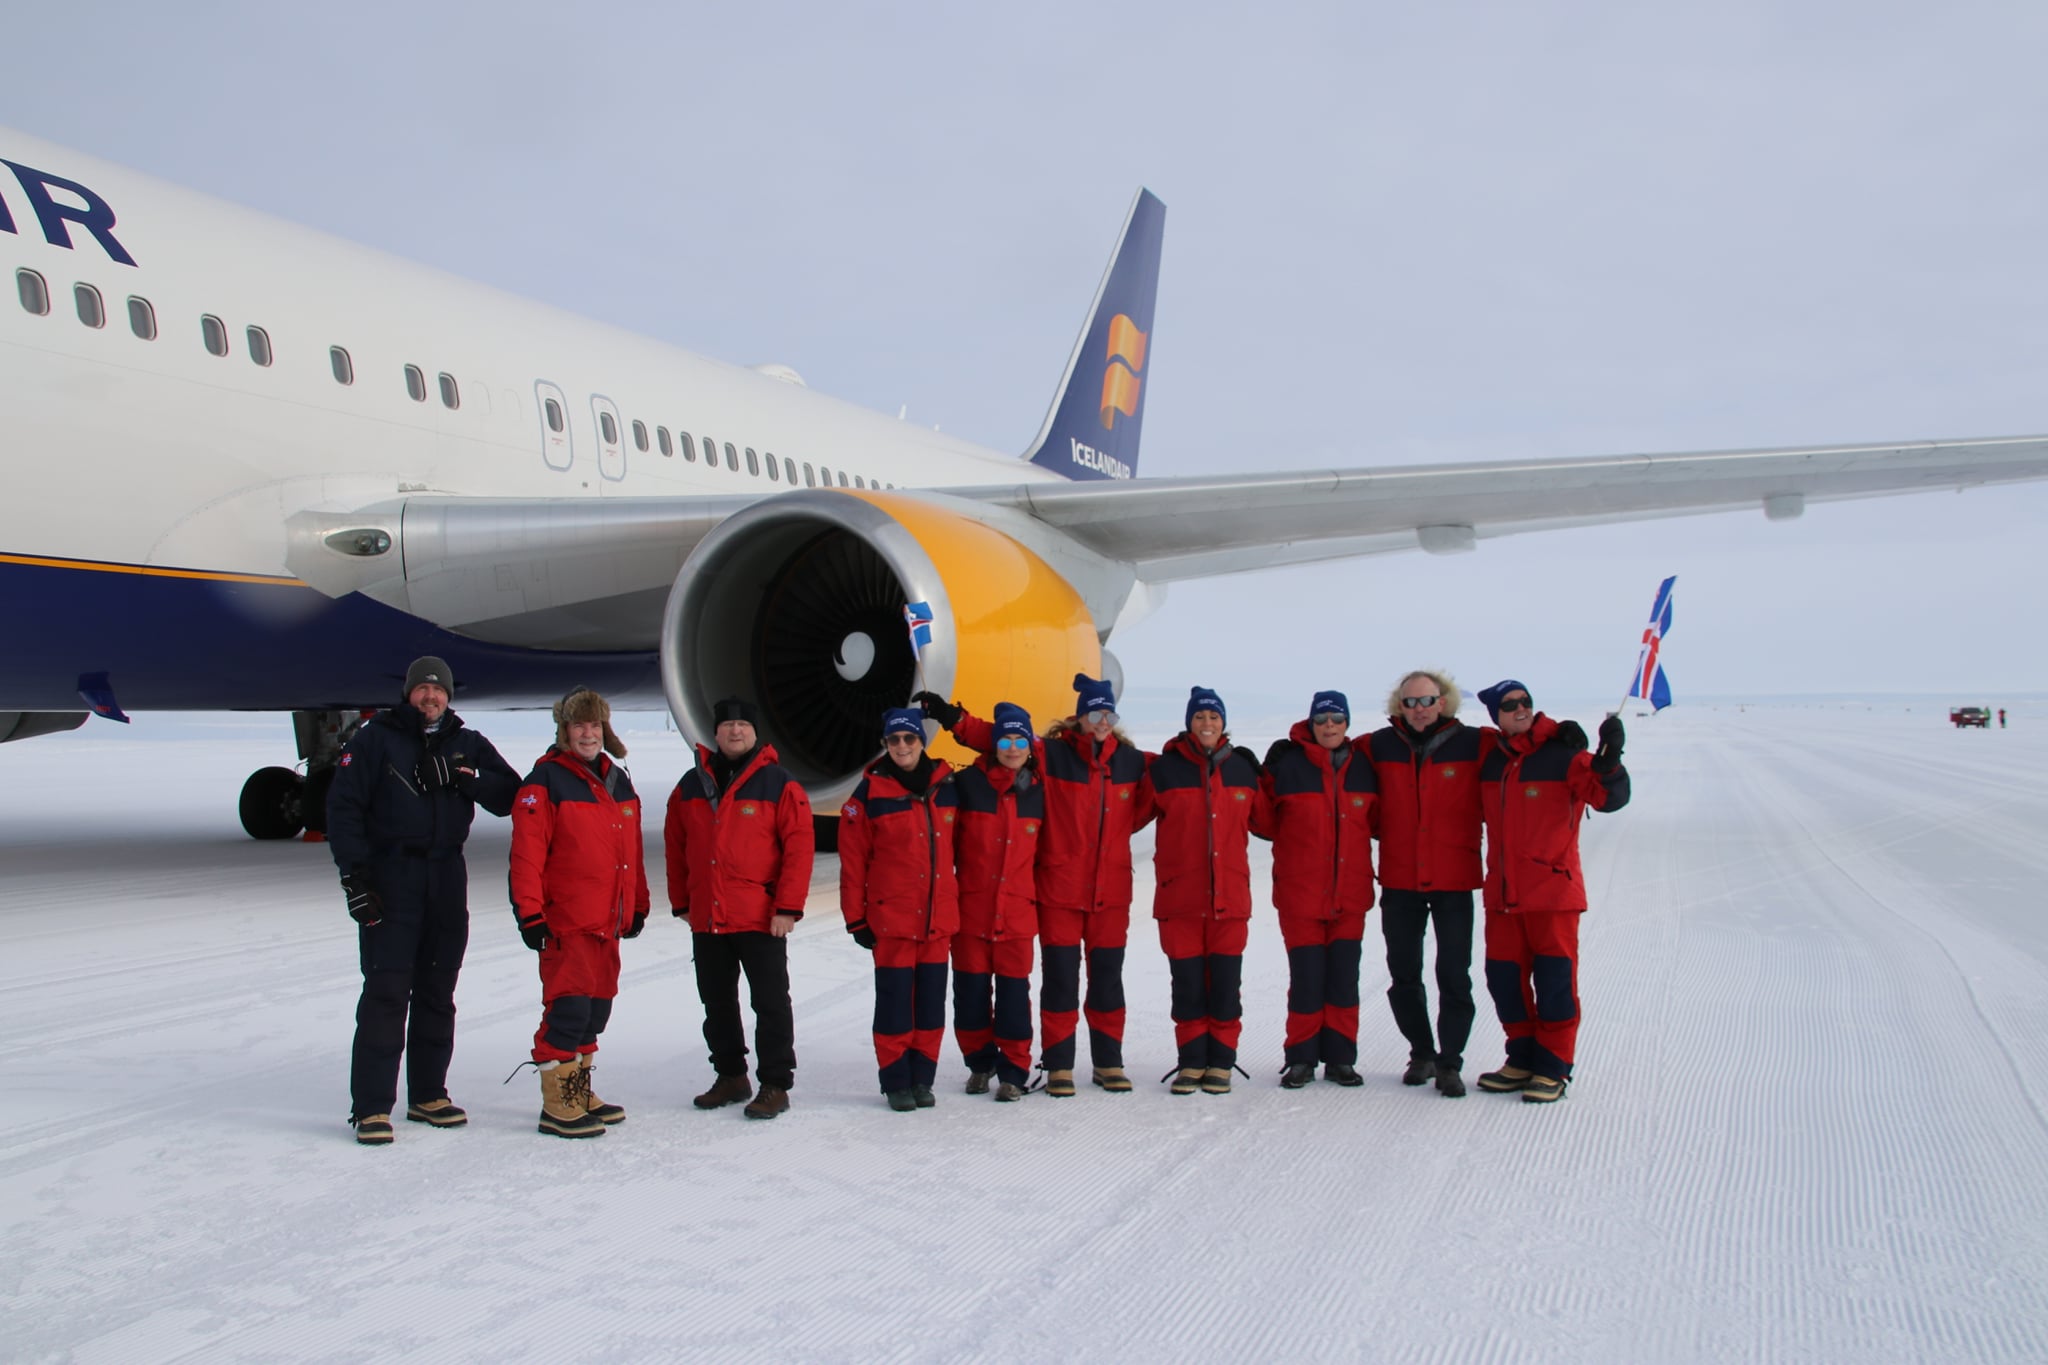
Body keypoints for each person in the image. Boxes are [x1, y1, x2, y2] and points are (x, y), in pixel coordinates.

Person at [917, 673, 1152, 1097]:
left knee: (1107, 980)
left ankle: (1108, 1061)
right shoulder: (1053, 757)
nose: (1101, 720)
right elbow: (1006, 739)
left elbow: (1172, 782)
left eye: (1108, 713)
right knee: (1060, 979)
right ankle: (1060, 1064)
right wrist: (955, 719)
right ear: (1080, 717)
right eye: (1094, 712)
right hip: (1059, 891)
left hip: (1112, 894)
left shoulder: (1132, 763)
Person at [327, 655, 520, 1146]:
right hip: (393, 876)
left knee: (438, 991)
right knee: (387, 992)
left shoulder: (466, 743)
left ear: (449, 697)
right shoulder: (375, 739)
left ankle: (429, 1094)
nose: (431, 697)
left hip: (446, 876)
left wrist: (463, 778)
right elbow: (343, 808)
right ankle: (372, 1107)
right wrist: (355, 879)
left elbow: (511, 796)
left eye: (439, 691)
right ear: (409, 693)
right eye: (423, 689)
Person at [1472, 681, 1630, 1103]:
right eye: (1510, 705)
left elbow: (1609, 797)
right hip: (1503, 898)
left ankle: (1553, 1066)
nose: (1520, 709)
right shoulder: (1489, 758)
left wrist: (1610, 757)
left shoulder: (1564, 754)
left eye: (1526, 701)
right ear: (1495, 715)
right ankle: (1522, 1057)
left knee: (1554, 982)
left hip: (1553, 895)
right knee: (1504, 980)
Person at [509, 688, 650, 1139]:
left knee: (594, 1013)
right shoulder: (545, 782)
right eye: (578, 726)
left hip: (607, 922)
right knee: (567, 1012)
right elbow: (527, 856)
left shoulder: (618, 782)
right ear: (564, 731)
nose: (587, 734)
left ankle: (580, 1091)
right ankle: (558, 1105)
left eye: (594, 726)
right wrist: (530, 914)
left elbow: (631, 852)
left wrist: (638, 903)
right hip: (566, 923)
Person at [664, 696, 814, 1121]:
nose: (735, 732)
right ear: (714, 734)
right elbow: (675, 845)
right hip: (708, 917)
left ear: (754, 733)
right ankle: (731, 1075)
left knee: (769, 1003)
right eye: (727, 725)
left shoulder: (778, 783)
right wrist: (682, 903)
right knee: (717, 1002)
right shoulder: (690, 785)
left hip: (761, 916)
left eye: (743, 726)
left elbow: (798, 849)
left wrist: (787, 907)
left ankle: (775, 1083)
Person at [1364, 669, 1494, 1097]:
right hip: (1401, 879)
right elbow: (1326, 751)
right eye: (1409, 702)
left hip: (1453, 880)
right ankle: (1421, 1052)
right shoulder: (1377, 746)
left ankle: (1450, 1061)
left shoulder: (1475, 743)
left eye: (1426, 701)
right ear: (1398, 706)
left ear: (1444, 701)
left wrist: (1562, 735)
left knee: (1454, 974)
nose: (1418, 710)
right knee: (1404, 974)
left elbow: (1524, 743)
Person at [1145, 687, 1268, 1094]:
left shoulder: (1243, 770)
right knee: (1188, 987)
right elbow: (1120, 815)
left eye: (1213, 717)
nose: (1207, 724)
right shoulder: (1165, 771)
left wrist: (1279, 772)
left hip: (1230, 900)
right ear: (1188, 723)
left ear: (1224, 722)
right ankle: (1192, 1062)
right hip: (1180, 900)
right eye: (1199, 717)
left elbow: (1271, 824)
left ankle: (1222, 1063)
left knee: (1226, 987)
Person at [840, 707, 960, 1111]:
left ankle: (922, 1079)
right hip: (891, 922)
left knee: (930, 1007)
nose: (903, 746)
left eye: (909, 739)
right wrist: (855, 918)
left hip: (936, 922)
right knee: (894, 1007)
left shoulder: (948, 787)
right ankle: (895, 1082)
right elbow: (853, 863)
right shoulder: (869, 794)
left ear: (921, 741)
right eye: (894, 740)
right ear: (885, 745)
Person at [1260, 690, 1378, 1088]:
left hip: (1350, 893)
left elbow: (1378, 822)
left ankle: (1341, 1058)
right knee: (1307, 979)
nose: (1330, 726)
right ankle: (1301, 1058)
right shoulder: (1288, 766)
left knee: (1344, 979)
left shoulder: (1364, 766)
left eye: (1337, 720)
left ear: (1347, 724)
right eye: (1322, 720)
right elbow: (1262, 822)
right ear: (1311, 723)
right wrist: (1261, 775)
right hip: (1301, 895)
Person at [949, 702, 1043, 1103]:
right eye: (1004, 738)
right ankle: (979, 1064)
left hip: (1017, 914)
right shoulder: (967, 785)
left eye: (1019, 738)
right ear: (993, 743)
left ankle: (1014, 1070)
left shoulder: (1041, 791)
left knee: (1013, 998)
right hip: (971, 912)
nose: (1012, 746)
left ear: (1030, 744)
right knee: (970, 995)